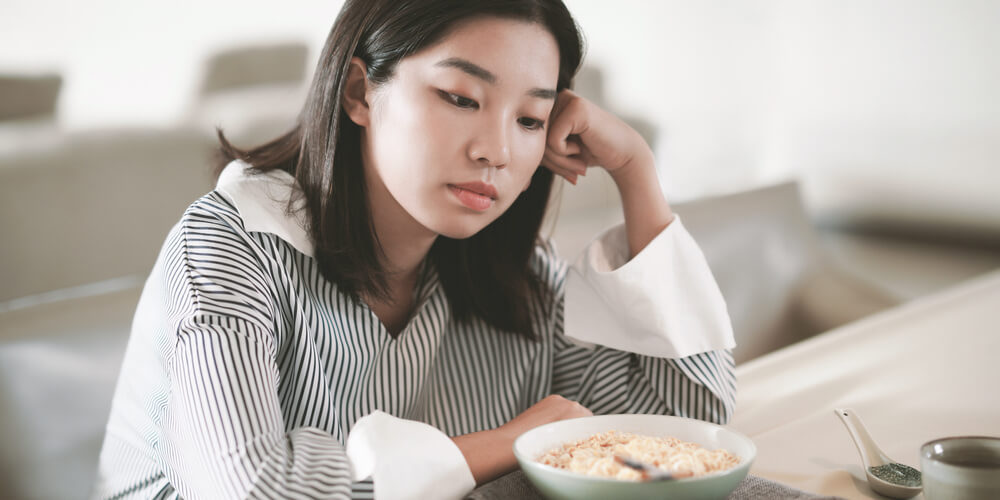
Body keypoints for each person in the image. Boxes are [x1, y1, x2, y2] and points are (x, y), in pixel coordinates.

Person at [94, 0, 736, 498]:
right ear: (359, 92)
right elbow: (256, 487)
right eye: (461, 98)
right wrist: (507, 444)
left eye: (530, 119)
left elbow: (685, 431)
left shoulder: (512, 272)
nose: (498, 151)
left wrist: (637, 174)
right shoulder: (230, 246)